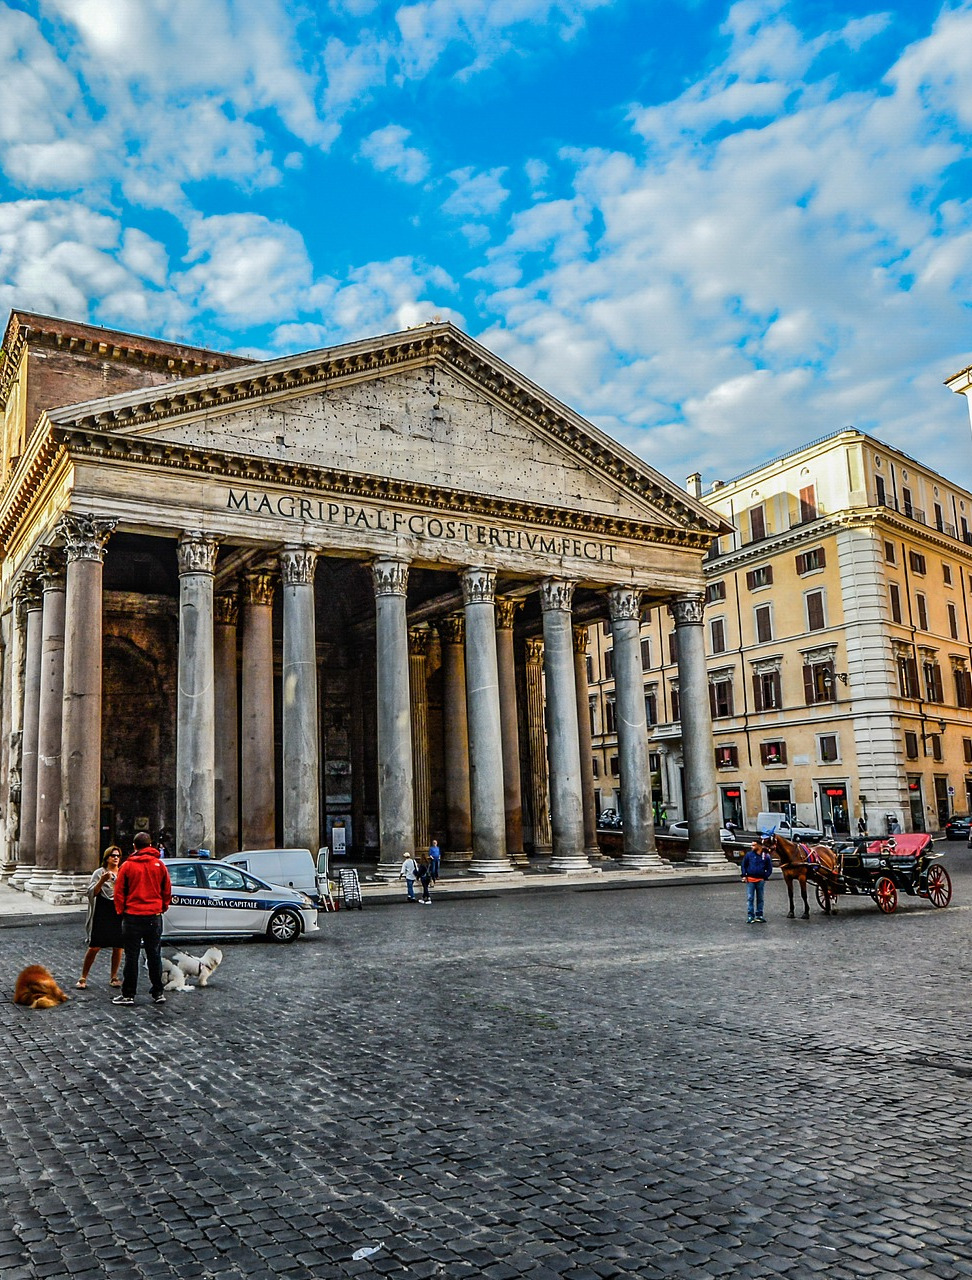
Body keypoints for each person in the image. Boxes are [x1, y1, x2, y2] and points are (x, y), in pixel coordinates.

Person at [112, 831, 172, 1005]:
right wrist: (161, 907)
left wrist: (121, 911)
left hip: (132, 916)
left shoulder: (127, 866)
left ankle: (128, 994)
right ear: (151, 845)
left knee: (132, 956)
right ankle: (158, 992)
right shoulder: (159, 865)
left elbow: (119, 892)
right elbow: (167, 890)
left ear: (134, 846)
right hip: (153, 916)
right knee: (154, 955)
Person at [76, 847, 124, 989]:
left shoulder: (122, 872)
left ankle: (114, 976)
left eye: (118, 856)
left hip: (117, 910)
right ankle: (83, 976)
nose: (115, 858)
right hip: (103, 910)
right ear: (107, 857)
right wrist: (102, 881)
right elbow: (92, 892)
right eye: (112, 855)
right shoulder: (99, 873)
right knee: (95, 946)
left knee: (118, 945)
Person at [740, 840, 773, 924]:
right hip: (750, 879)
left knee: (760, 898)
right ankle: (750, 916)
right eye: (751, 845)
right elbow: (744, 865)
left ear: (759, 846)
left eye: (753, 845)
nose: (752, 847)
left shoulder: (766, 856)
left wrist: (765, 876)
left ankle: (759, 915)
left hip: (760, 880)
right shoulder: (749, 855)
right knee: (750, 898)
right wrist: (744, 875)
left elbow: (769, 868)